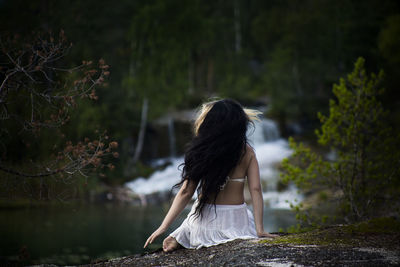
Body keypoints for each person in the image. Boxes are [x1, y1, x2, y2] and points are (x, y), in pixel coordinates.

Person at [143, 99, 278, 252]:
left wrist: (163, 226)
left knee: (195, 215)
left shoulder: (202, 152)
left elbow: (186, 192)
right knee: (243, 219)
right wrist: (260, 229)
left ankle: (181, 235)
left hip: (204, 225)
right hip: (236, 223)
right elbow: (256, 190)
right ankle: (181, 236)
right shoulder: (247, 152)